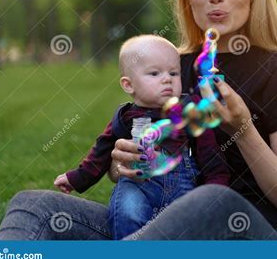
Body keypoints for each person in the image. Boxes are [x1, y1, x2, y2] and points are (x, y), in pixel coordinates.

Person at [0, 0, 277, 241]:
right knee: (33, 208)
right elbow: (132, 164)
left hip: (246, 234)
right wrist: (119, 164)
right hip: (163, 230)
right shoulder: (168, 70)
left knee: (211, 200)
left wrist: (243, 128)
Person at [53, 34, 229, 240]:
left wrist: (216, 190)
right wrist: (76, 179)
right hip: (137, 185)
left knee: (186, 227)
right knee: (128, 212)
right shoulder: (125, 117)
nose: (167, 79)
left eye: (174, 73)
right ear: (128, 85)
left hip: (182, 189)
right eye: (154, 73)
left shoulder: (187, 112)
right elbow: (100, 153)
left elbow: (210, 155)